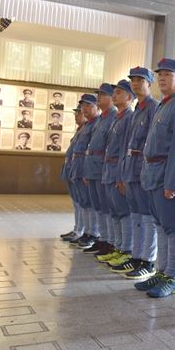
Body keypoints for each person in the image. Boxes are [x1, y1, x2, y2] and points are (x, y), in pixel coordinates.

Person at [139, 58, 175, 298]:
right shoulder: (164, 104)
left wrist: (172, 180)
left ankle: (172, 276)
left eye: (168, 74)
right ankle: (161, 272)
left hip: (166, 174)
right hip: (153, 173)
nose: (162, 78)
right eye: (160, 74)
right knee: (161, 225)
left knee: (174, 226)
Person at [121, 67, 160, 280]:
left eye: (140, 80)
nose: (135, 83)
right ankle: (136, 256)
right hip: (132, 167)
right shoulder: (138, 108)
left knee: (147, 216)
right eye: (133, 80)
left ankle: (148, 260)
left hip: (144, 168)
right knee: (135, 214)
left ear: (149, 83)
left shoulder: (154, 107)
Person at [97, 80, 136, 273]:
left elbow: (125, 149)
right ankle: (118, 246)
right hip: (110, 168)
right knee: (114, 211)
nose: (115, 95)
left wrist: (122, 174)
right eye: (114, 92)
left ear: (129, 97)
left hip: (118, 170)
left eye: (119, 92)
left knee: (123, 212)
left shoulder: (129, 117)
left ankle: (126, 249)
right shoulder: (118, 118)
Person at [79, 83, 118, 253]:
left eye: (103, 95)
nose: (99, 98)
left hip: (103, 168)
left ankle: (110, 241)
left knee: (107, 208)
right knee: (98, 206)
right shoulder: (101, 119)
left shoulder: (114, 116)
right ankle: (103, 238)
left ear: (111, 98)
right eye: (99, 95)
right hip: (93, 167)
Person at [69, 94, 100, 248]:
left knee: (90, 203)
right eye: (83, 106)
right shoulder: (87, 126)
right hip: (80, 167)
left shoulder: (96, 124)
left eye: (88, 105)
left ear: (97, 107)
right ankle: (85, 231)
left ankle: (92, 233)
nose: (83, 109)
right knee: (82, 202)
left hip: (89, 167)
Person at [60, 107, 87, 242]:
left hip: (81, 169)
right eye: (75, 113)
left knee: (83, 203)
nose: (77, 116)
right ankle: (77, 228)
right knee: (76, 202)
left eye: (79, 113)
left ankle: (82, 230)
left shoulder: (88, 129)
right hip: (73, 168)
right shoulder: (80, 130)